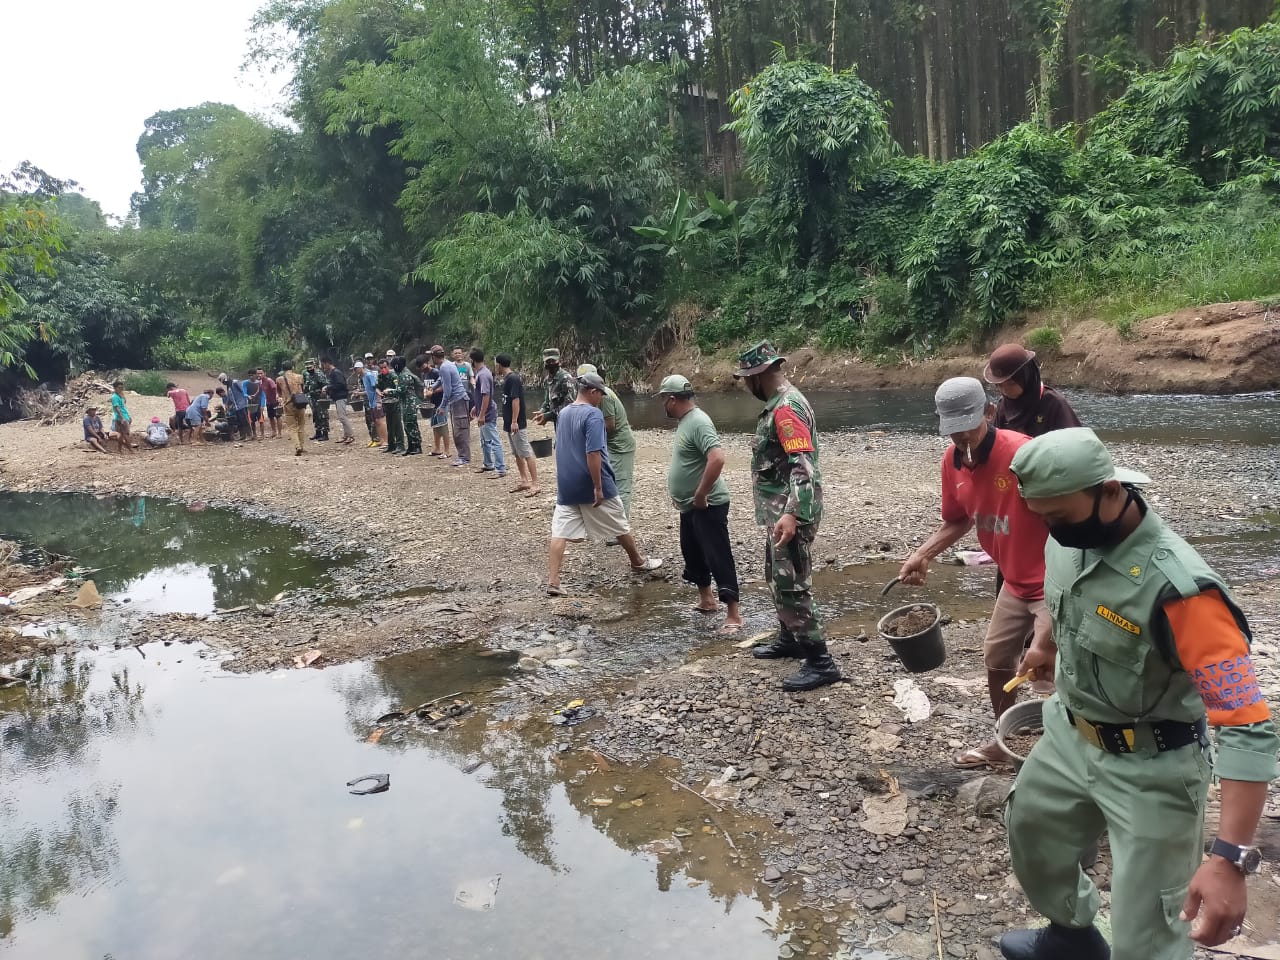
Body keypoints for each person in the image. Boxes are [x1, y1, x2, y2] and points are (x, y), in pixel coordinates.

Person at [999, 428, 1278, 960]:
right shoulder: (1069, 537)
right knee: (1032, 834)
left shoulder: (1183, 591)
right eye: (1043, 517)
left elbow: (1247, 724)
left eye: (1059, 516)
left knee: (1147, 932)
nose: (1051, 529)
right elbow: (1067, 601)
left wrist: (1229, 858)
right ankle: (1071, 938)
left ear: (1110, 491)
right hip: (1067, 732)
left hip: (1153, 762)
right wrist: (1043, 646)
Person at [898, 377, 1052, 768]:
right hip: (1014, 581)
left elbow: (1066, 515)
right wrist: (923, 554)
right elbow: (958, 520)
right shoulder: (951, 463)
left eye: (968, 425)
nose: (961, 437)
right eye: (952, 429)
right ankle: (1004, 741)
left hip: (1055, 580)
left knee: (1049, 665)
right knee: (998, 656)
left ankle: (1069, 755)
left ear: (989, 412)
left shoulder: (1023, 454)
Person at [735, 341, 840, 692]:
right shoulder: (780, 403)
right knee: (776, 576)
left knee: (791, 583)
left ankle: (821, 661)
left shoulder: (786, 409)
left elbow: (803, 466)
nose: (745, 386)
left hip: (791, 511)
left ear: (758, 376)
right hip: (779, 511)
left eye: (746, 379)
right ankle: (791, 639)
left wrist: (793, 513)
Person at [546, 373, 662, 596]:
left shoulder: (564, 413)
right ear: (592, 391)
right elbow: (593, 452)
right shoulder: (594, 415)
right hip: (592, 481)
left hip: (567, 483)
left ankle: (553, 581)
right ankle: (637, 561)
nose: (601, 398)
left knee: (559, 532)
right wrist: (598, 486)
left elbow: (560, 448)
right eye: (600, 394)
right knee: (619, 523)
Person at [661, 374, 742, 635]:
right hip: (690, 506)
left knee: (717, 555)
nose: (663, 404)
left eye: (664, 399)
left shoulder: (699, 421)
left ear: (672, 400)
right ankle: (707, 601)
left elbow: (717, 458)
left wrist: (700, 494)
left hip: (708, 504)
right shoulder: (687, 422)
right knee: (692, 552)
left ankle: (734, 615)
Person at [985, 343, 1081, 437]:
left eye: (1011, 384)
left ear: (1026, 377)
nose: (1005, 390)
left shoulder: (1054, 404)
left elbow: (1074, 444)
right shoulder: (1002, 407)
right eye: (1000, 385)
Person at [577, 363, 635, 519]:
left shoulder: (604, 396)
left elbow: (610, 425)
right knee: (607, 482)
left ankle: (620, 527)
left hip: (620, 445)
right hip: (608, 445)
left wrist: (589, 437)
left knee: (621, 485)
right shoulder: (588, 397)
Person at [497, 354, 539, 497]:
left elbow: (516, 400)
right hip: (509, 423)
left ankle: (535, 483)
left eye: (495, 364)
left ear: (499, 365)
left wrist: (515, 421)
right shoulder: (507, 379)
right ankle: (524, 480)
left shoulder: (513, 379)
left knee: (526, 452)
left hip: (516, 423)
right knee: (516, 453)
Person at [432, 344, 471, 465]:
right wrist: (432, 387)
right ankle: (462, 455)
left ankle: (464, 457)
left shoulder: (444, 367)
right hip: (456, 401)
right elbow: (441, 379)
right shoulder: (446, 364)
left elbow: (447, 390)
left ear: (434, 357)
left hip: (459, 400)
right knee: (457, 429)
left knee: (461, 430)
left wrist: (442, 406)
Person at [471, 348, 505, 478]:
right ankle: (488, 464)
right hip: (483, 410)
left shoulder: (483, 374)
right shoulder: (481, 373)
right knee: (484, 440)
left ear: (473, 361)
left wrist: (482, 415)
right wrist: (476, 407)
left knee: (494, 440)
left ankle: (500, 468)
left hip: (488, 413)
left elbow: (486, 396)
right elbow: (482, 396)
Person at [533, 348, 576, 427]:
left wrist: (548, 416)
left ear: (558, 361)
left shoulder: (566, 378)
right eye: (548, 362)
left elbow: (570, 406)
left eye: (553, 361)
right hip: (557, 420)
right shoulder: (547, 380)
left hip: (569, 420)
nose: (551, 364)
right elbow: (548, 400)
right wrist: (542, 410)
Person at [421, 356, 450, 459]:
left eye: (424, 366)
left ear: (428, 363)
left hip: (441, 402)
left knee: (443, 426)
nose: (423, 369)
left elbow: (444, 386)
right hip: (432, 403)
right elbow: (426, 386)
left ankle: (447, 450)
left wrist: (433, 391)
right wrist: (425, 392)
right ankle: (437, 448)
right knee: (435, 426)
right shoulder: (424, 374)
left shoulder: (437, 372)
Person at [321, 357, 355, 444]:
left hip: (341, 397)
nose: (323, 366)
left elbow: (340, 384)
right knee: (341, 417)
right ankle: (346, 435)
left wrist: (328, 387)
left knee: (343, 417)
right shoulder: (332, 373)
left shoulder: (336, 373)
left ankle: (350, 435)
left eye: (323, 364)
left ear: (327, 363)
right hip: (337, 397)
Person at [393, 356, 423, 455]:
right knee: (406, 425)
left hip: (410, 403)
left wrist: (389, 391)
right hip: (406, 403)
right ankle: (411, 446)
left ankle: (417, 446)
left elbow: (401, 390)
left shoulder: (405, 375)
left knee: (411, 424)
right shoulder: (403, 373)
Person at [277, 361, 308, 456]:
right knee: (301, 425)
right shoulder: (300, 377)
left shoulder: (279, 379)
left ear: (282, 369)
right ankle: (302, 446)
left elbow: (279, 392)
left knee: (292, 427)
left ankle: (297, 446)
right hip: (300, 403)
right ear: (292, 367)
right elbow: (303, 389)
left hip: (288, 404)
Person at [376, 357, 404, 454]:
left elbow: (398, 388)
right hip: (386, 403)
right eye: (381, 368)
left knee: (397, 425)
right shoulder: (380, 376)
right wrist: (379, 393)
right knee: (390, 425)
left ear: (388, 366)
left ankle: (400, 445)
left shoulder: (393, 375)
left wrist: (389, 390)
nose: (383, 369)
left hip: (395, 402)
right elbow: (377, 387)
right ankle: (391, 445)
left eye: (385, 367)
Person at [358, 361, 386, 448]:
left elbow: (376, 388)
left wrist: (378, 401)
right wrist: (359, 393)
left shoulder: (369, 375)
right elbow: (369, 391)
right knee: (376, 422)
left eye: (356, 369)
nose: (355, 372)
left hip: (376, 401)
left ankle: (385, 441)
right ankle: (381, 440)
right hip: (371, 402)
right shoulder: (363, 377)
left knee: (381, 421)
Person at [303, 359, 328, 441]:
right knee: (316, 415)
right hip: (312, 398)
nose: (309, 369)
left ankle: (325, 433)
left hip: (320, 397)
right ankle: (318, 432)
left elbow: (325, 385)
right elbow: (306, 385)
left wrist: (321, 392)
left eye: (310, 367)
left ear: (314, 366)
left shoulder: (319, 374)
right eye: (307, 367)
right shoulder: (306, 374)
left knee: (323, 415)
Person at [109, 380, 136, 454]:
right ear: (115, 388)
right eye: (119, 388)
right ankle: (130, 449)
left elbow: (123, 406)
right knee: (126, 434)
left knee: (121, 434)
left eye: (122, 388)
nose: (121, 389)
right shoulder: (115, 397)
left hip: (123, 416)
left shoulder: (120, 395)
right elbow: (117, 408)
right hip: (121, 417)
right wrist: (122, 418)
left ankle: (119, 450)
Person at [257, 367, 281, 440]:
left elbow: (275, 388)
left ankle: (279, 433)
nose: (259, 375)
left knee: (278, 417)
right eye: (258, 373)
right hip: (268, 402)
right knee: (271, 417)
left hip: (275, 401)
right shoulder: (260, 382)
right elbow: (259, 392)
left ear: (264, 373)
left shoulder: (269, 380)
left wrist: (278, 396)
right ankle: (274, 432)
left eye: (261, 373)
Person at [245, 370, 265, 440]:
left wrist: (262, 405)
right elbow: (244, 392)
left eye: (252, 375)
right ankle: (254, 434)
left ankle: (262, 435)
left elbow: (263, 395)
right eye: (249, 375)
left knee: (261, 420)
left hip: (259, 403)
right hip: (251, 404)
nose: (251, 377)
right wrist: (247, 396)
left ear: (255, 375)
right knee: (252, 420)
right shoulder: (246, 383)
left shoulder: (259, 383)